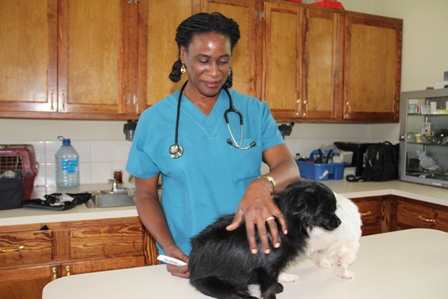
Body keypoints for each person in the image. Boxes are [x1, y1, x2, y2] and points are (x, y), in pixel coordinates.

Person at [126, 12, 300, 279]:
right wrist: (169, 247)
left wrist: (263, 184)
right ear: (183, 55)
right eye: (203, 60)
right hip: (189, 259)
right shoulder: (154, 120)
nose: (215, 72)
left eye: (223, 60)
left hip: (250, 256)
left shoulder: (254, 111)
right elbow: (145, 194)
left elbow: (289, 168)